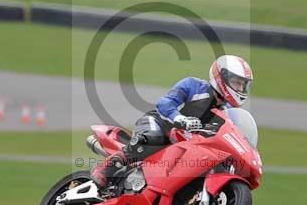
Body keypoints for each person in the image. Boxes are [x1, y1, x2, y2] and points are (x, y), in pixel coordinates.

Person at [89, 54, 254, 188]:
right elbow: (165, 104)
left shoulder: (225, 113)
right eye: (236, 82)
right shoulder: (193, 85)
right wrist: (181, 119)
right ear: (221, 76)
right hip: (158, 123)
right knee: (153, 138)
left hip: (182, 146)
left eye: (242, 84)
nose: (240, 88)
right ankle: (106, 169)